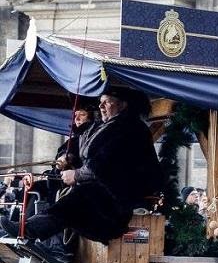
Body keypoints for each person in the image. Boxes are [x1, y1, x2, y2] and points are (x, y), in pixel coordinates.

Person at [1, 87, 162, 244]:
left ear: (123, 104)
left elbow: (103, 164)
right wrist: (68, 157)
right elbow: (87, 153)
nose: (101, 106)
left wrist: (76, 175)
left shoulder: (128, 128)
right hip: (107, 194)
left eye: (106, 102)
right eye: (100, 102)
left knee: (78, 197)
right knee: (55, 190)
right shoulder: (110, 126)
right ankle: (30, 229)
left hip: (120, 202)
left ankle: (40, 236)